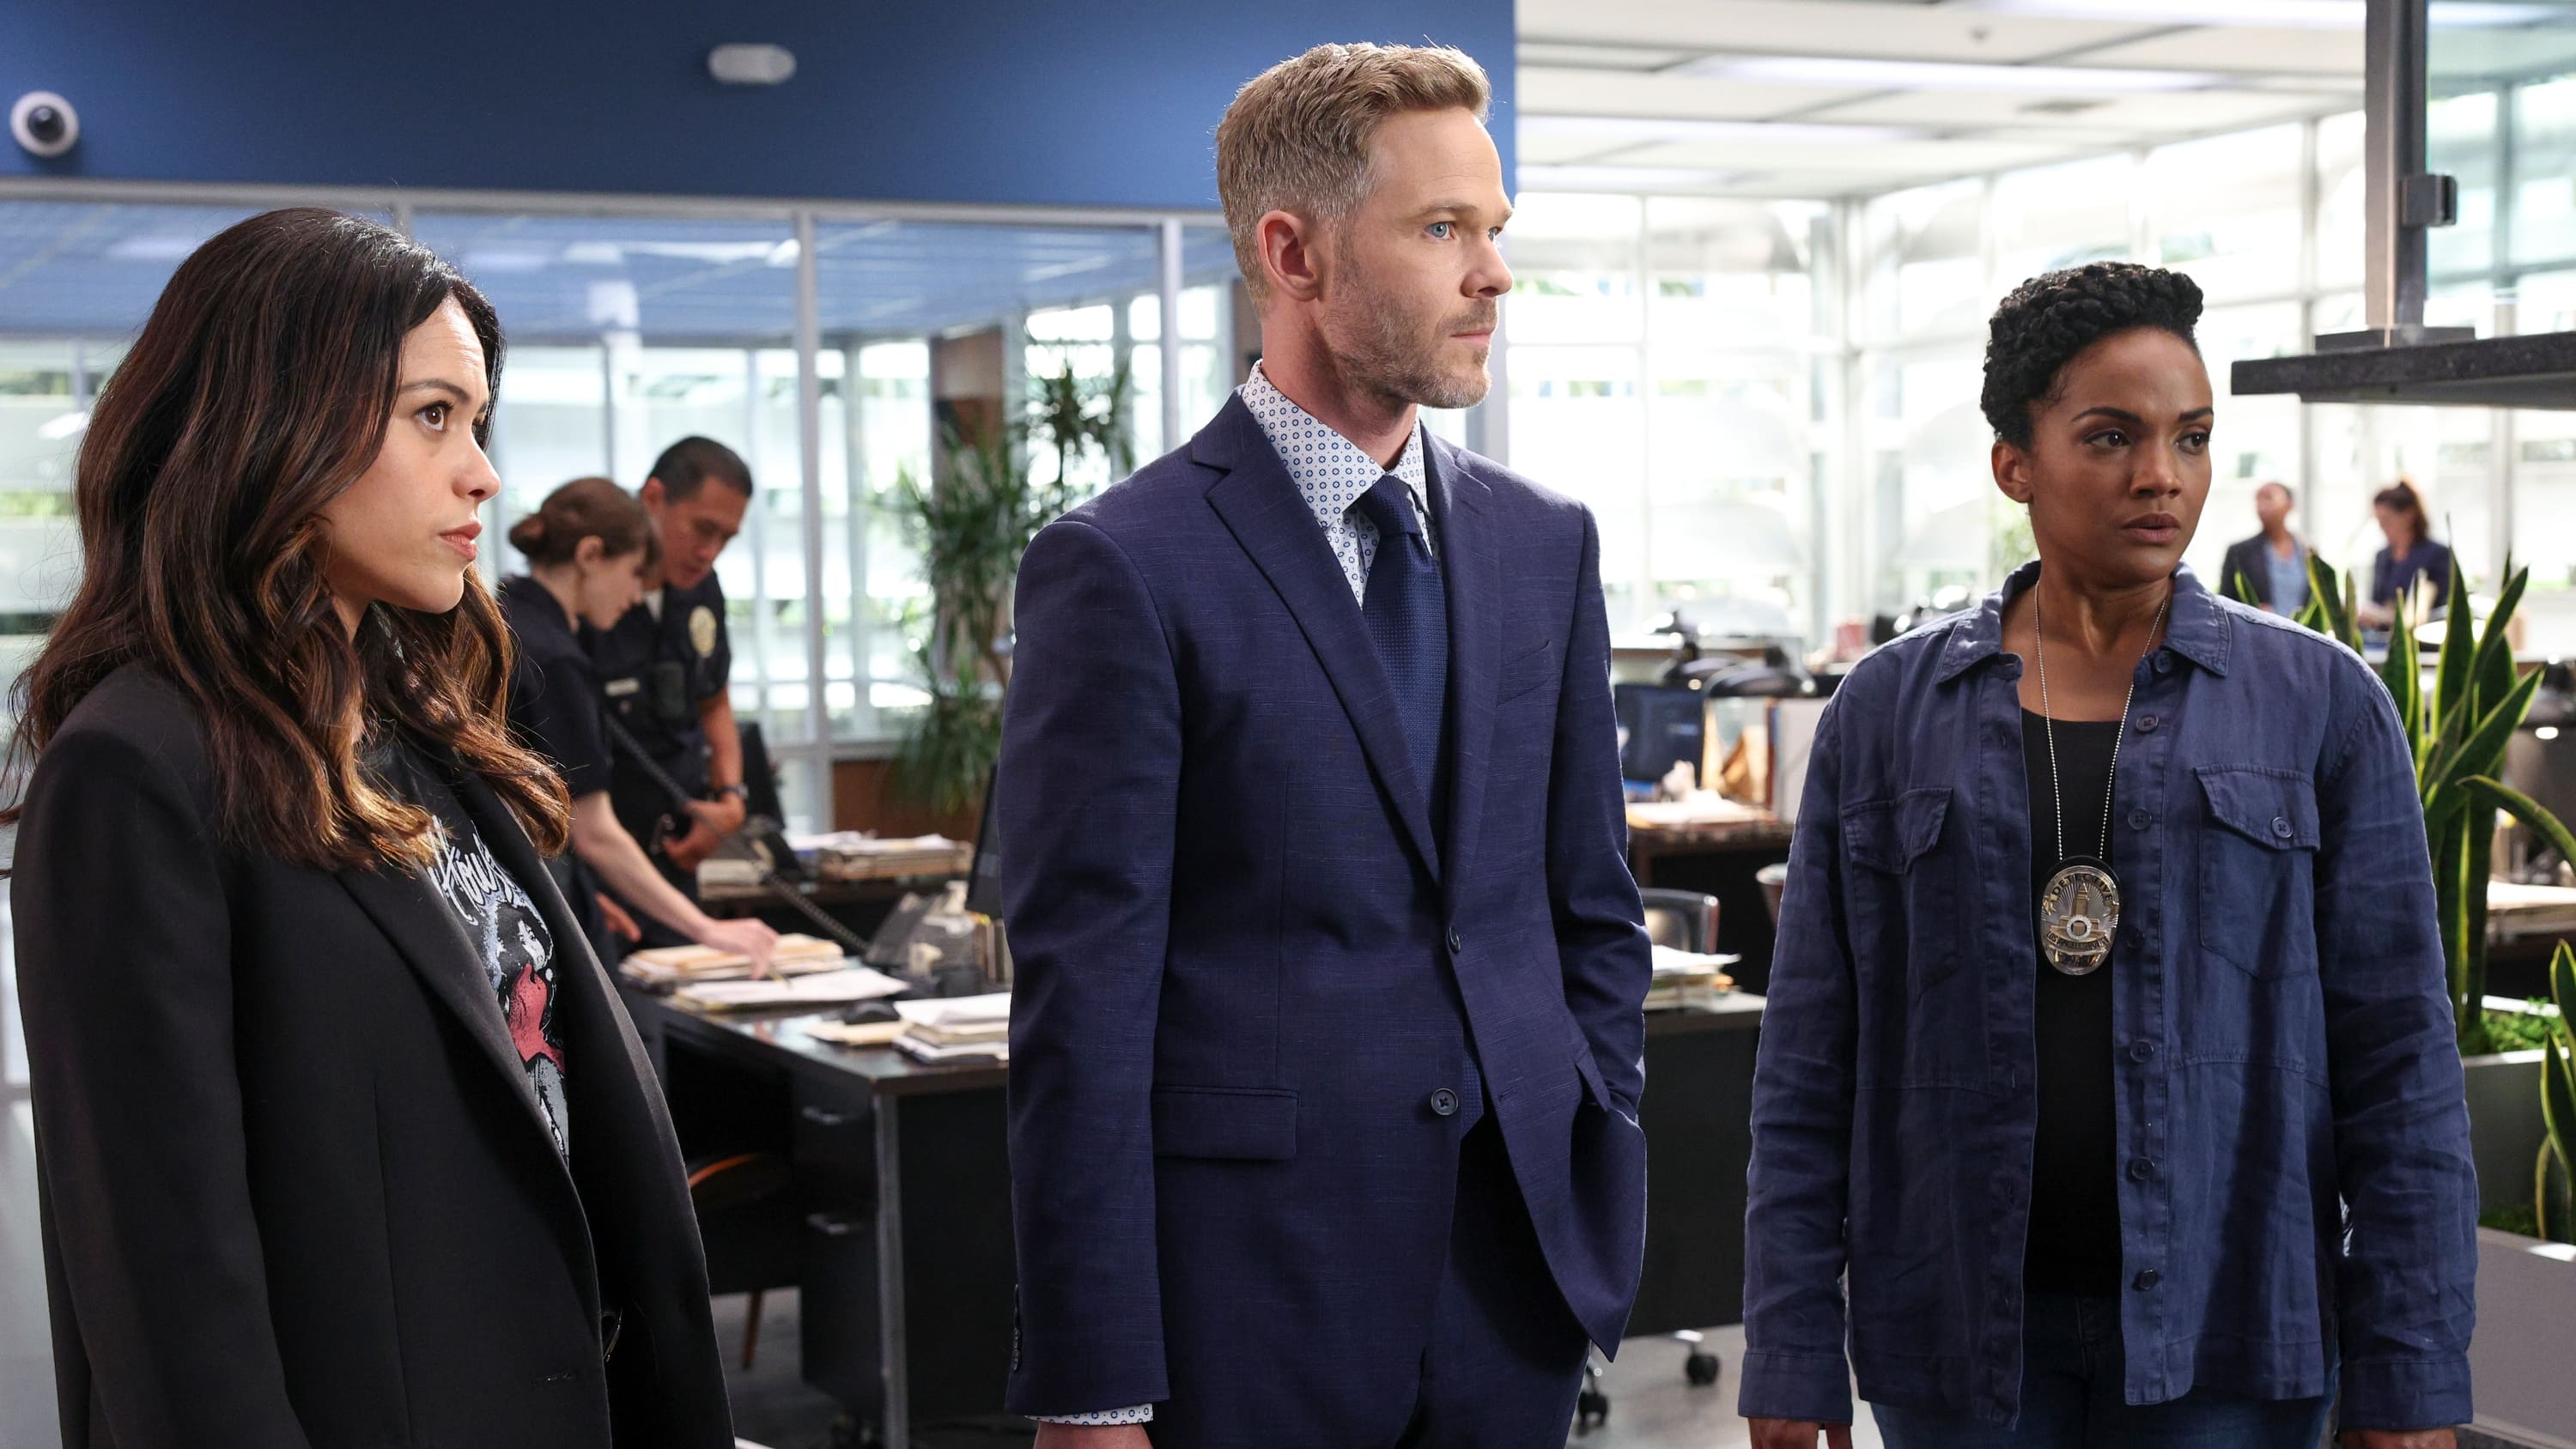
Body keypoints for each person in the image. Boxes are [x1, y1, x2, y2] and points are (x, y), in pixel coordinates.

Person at [997, 42, 1650, 1449]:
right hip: (1249, 1305)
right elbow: (1082, 1007)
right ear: (1293, 254)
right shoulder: (1121, 565)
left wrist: (1593, 1115)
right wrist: (1092, 1380)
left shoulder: (1545, 544)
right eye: (1443, 229)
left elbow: (1587, 908)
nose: (1494, 274)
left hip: (1514, 1293)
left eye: (1494, 229)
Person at [3, 209, 732, 1447]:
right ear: (272, 423)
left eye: (478, 421)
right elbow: (172, 1300)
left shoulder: (417, 729)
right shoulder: (139, 768)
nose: (482, 474)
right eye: (432, 416)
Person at [1741, 262, 2476, 1449]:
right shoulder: (1888, 711)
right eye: (2112, 436)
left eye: (2191, 438)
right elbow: (1810, 1053)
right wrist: (1789, 1341)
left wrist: (2411, 1367)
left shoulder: (2321, 705)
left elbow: (2400, 1062)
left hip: (2234, 1333)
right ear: (2015, 464)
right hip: (1958, 1335)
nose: (2161, 475)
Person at [498, 476, 777, 974]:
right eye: (632, 574)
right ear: (590, 556)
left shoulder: (504, 617)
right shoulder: (555, 658)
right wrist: (707, 928)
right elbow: (595, 832)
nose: (634, 596)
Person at [586, 437, 756, 943]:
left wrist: (731, 798)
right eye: (703, 529)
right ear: (654, 498)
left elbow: (714, 699)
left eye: (726, 538)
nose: (710, 552)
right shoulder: (592, 587)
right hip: (598, 861)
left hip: (677, 855)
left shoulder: (702, 590)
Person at [2360, 479, 2453, 628]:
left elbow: (2440, 608)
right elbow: (2377, 601)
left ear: (2409, 515)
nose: (2382, 527)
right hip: (2381, 636)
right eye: (2379, 521)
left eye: (2387, 520)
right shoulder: (2382, 556)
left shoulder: (2437, 555)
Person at [2217, 481, 2309, 614]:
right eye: (2258, 499)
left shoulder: (2306, 551)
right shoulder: (2240, 552)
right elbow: (2225, 601)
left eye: (2268, 497)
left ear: (2289, 504)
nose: (2261, 505)